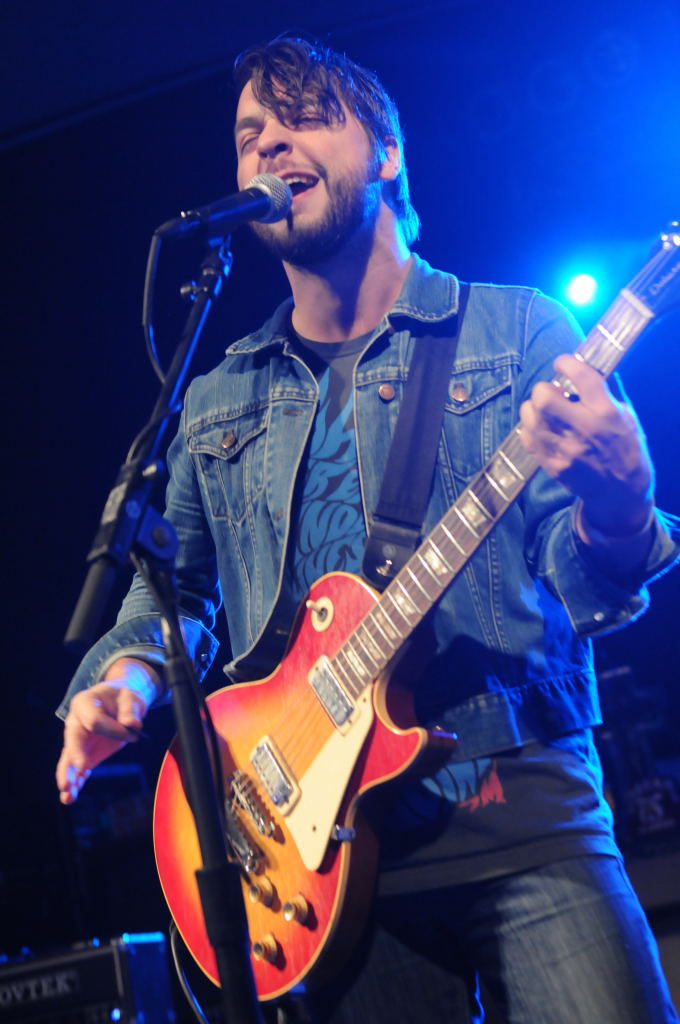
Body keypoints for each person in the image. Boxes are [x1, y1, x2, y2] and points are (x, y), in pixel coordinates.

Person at [56, 35, 680, 1024]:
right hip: (321, 863)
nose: (269, 143)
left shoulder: (516, 331)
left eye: (303, 115)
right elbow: (175, 591)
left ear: (386, 151)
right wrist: (126, 675)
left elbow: (580, 578)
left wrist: (620, 499)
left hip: (529, 824)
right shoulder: (217, 397)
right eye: (249, 134)